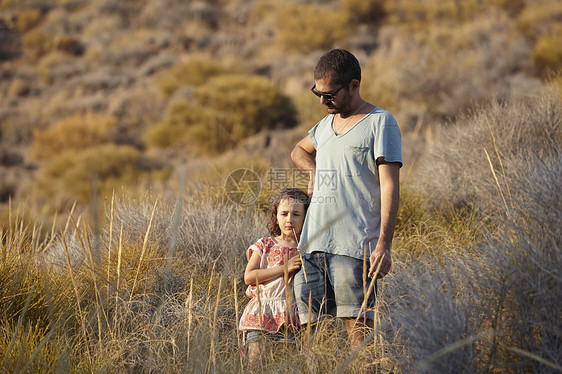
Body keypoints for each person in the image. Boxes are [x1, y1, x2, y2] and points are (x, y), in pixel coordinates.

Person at [291, 49, 402, 348]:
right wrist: (314, 174)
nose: (322, 101)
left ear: (354, 85)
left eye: (329, 94)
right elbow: (298, 151)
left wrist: (384, 245)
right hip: (311, 247)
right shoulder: (324, 126)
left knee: (360, 338)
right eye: (317, 92)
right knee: (309, 343)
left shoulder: (381, 122)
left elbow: (390, 186)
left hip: (354, 248)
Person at [238, 187, 310, 366]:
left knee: (284, 367)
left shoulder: (307, 248)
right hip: (262, 313)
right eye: (284, 214)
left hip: (292, 318)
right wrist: (284, 268)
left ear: (306, 217)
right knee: (255, 366)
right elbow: (249, 277)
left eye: (296, 214)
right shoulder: (266, 244)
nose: (289, 220)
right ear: (275, 216)